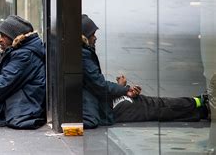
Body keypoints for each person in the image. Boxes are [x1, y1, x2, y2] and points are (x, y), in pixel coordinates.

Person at [82, 14, 211, 129]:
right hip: (108, 109)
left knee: (155, 106)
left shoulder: (82, 54)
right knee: (155, 106)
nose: (95, 37)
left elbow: (95, 83)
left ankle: (200, 106)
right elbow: (99, 85)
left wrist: (120, 87)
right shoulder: (84, 55)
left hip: (108, 104)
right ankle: (200, 105)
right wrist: (125, 90)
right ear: (84, 37)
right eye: (92, 34)